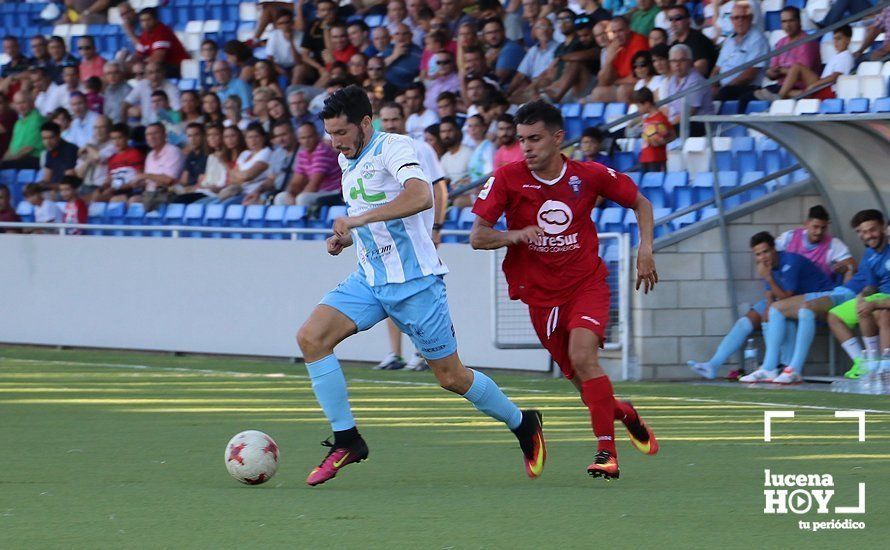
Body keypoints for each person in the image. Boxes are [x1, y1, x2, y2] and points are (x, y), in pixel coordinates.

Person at [297, 85, 545, 486]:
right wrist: (348, 237)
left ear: (365, 122)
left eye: (341, 132)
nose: (335, 142)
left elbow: (421, 196)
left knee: (451, 377)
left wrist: (357, 222)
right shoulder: (349, 159)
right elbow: (370, 213)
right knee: (311, 338)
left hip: (415, 284)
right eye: (329, 134)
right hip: (370, 278)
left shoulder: (394, 147)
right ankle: (347, 440)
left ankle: (523, 424)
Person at [469, 100, 659, 480]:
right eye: (522, 140)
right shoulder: (507, 178)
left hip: (586, 283)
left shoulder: (587, 176)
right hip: (541, 296)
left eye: (535, 139)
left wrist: (646, 250)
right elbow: (478, 236)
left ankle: (607, 453)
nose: (526, 147)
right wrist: (514, 235)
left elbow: (641, 202)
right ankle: (623, 412)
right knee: (584, 384)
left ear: (558, 139)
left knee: (585, 358)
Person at [375, 100, 449, 371]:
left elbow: (439, 189)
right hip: (388, 238)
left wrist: (437, 228)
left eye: (395, 119)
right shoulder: (376, 150)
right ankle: (395, 353)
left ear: (405, 119)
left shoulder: (421, 148)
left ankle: (424, 353)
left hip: (419, 236)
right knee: (389, 294)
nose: (391, 124)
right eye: (386, 119)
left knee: (421, 295)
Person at [827, 210, 890, 379]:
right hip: (879, 297)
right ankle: (864, 363)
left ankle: (884, 367)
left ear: (883, 228)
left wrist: (874, 303)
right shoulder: (869, 254)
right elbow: (871, 286)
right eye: (863, 231)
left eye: (872, 230)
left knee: (881, 313)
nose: (868, 235)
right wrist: (862, 296)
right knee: (834, 316)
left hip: (885, 301)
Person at [753, 7, 820, 101]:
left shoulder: (807, 42)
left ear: (799, 21)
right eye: (784, 21)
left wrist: (780, 71)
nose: (787, 25)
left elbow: (801, 72)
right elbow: (773, 72)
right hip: (781, 85)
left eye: (791, 21)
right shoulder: (780, 43)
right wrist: (771, 72)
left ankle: (779, 98)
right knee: (750, 95)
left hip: (801, 87)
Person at [712, 2, 769, 107]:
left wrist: (724, 87)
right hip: (725, 89)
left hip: (746, 88)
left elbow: (750, 74)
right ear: (731, 20)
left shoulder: (758, 39)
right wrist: (712, 85)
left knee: (720, 96)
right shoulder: (729, 40)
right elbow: (717, 68)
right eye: (736, 18)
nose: (740, 21)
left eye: (744, 17)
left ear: (751, 18)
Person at [774, 25, 854, 100]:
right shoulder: (838, 55)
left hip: (828, 90)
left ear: (848, 40)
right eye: (834, 39)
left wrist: (813, 85)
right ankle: (778, 98)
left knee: (797, 67)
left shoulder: (846, 56)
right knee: (788, 92)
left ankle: (777, 99)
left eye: (839, 39)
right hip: (823, 87)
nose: (836, 42)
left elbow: (834, 77)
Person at [279, 122, 340, 206]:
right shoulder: (302, 153)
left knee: (302, 199)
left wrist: (295, 200)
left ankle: (299, 218)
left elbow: (314, 184)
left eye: (309, 137)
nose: (306, 141)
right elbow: (296, 182)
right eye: (303, 138)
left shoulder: (323, 151)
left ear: (317, 136)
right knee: (282, 197)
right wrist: (291, 194)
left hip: (334, 192)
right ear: (298, 140)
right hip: (318, 192)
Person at [122, 7, 190, 78]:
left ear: (155, 19)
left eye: (148, 20)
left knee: (148, 71)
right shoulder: (145, 34)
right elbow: (138, 55)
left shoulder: (161, 31)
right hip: (160, 67)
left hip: (176, 67)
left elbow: (157, 59)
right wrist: (130, 65)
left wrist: (142, 63)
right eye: (142, 21)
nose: (145, 23)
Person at [132, 123, 185, 211]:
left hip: (168, 195)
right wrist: (138, 182)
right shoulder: (150, 155)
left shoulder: (173, 151)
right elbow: (149, 181)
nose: (151, 137)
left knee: (134, 202)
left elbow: (169, 180)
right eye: (148, 134)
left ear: (164, 135)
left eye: (155, 133)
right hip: (150, 194)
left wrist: (145, 175)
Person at [665, 44, 714, 137]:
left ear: (690, 62)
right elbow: (669, 108)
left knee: (661, 133)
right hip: (679, 123)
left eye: (682, 60)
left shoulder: (696, 80)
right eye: (673, 61)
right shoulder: (671, 80)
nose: (677, 64)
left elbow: (689, 111)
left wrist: (667, 126)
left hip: (699, 124)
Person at [667, 4, 717, 76]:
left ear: (688, 20)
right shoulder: (674, 44)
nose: (673, 22)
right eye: (670, 19)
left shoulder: (698, 39)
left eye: (678, 18)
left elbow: (701, 70)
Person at [0, 91, 45, 170]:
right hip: (17, 160)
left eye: (23, 102)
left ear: (31, 103)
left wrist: (4, 162)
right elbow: (10, 149)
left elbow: (27, 149)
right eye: (17, 104)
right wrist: (2, 160)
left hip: (33, 160)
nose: (20, 107)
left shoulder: (36, 119)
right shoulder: (18, 123)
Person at [632, 87, 673, 173]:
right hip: (645, 157)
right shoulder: (646, 118)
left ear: (647, 104)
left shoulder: (660, 118)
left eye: (639, 106)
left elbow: (673, 135)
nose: (638, 109)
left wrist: (662, 141)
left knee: (656, 182)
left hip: (657, 158)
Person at [103, 123, 146, 203]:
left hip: (132, 191)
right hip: (115, 191)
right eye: (113, 139)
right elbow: (109, 178)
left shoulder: (135, 154)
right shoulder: (111, 157)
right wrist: (105, 186)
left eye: (119, 138)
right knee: (96, 199)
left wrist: (123, 187)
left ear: (126, 138)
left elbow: (141, 179)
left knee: (115, 201)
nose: (116, 142)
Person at [39, 121, 79, 190]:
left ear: (59, 136)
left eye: (50, 137)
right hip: (55, 189)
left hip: (70, 191)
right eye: (44, 138)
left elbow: (68, 182)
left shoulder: (70, 150)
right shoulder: (49, 152)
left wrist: (46, 186)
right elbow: (46, 179)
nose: (47, 142)